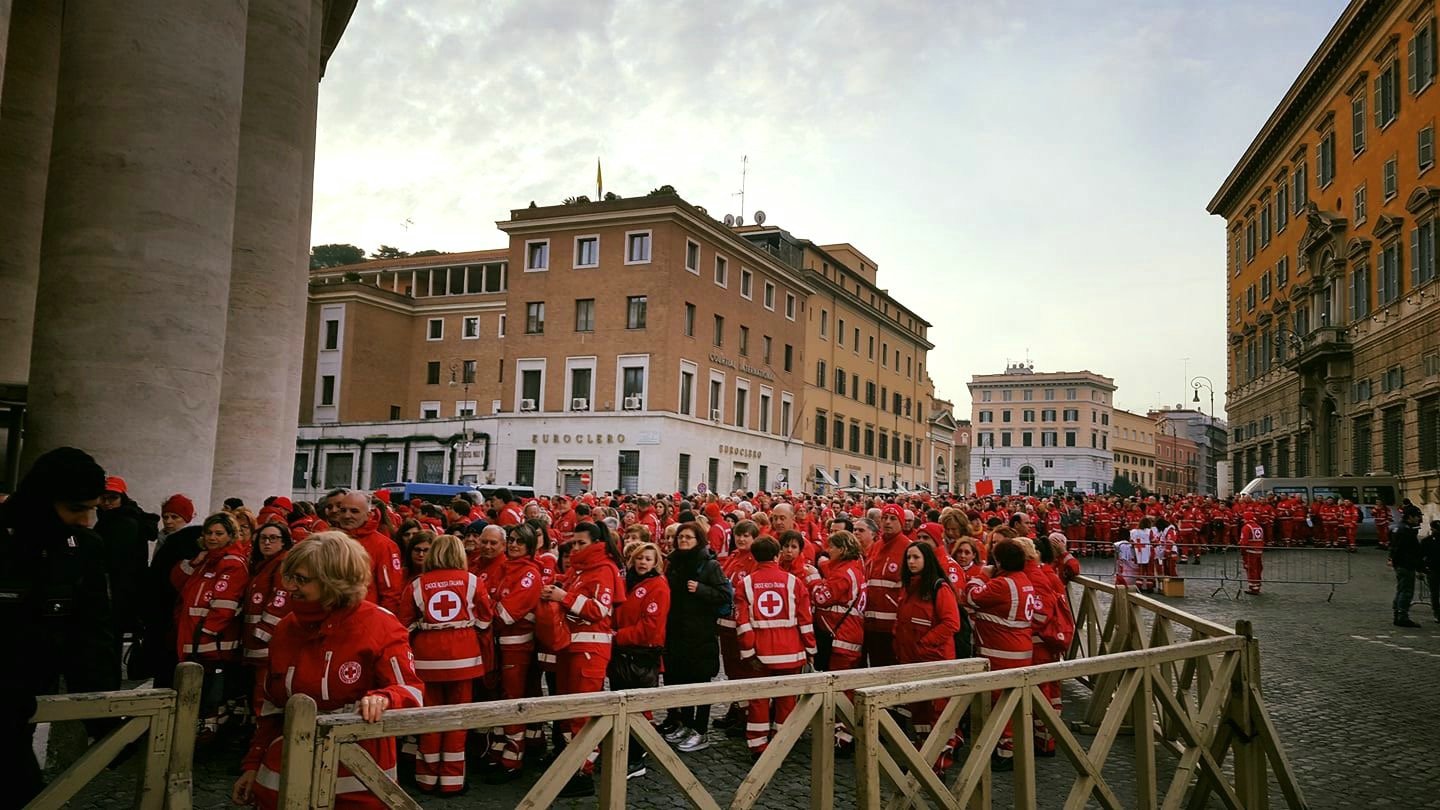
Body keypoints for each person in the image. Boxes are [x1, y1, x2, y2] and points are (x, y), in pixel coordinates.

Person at [233, 532, 423, 808]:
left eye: (301, 579)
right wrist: (252, 764)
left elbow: (411, 691)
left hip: (358, 777)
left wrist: (385, 698)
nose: (290, 587)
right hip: (284, 776)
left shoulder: (381, 625)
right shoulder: (286, 626)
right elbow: (272, 709)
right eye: (290, 577)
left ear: (335, 581)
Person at [0, 447, 119, 806]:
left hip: (27, 704)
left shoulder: (83, 550)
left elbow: (93, 635)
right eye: (75, 509)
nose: (85, 520)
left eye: (92, 509)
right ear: (42, 501)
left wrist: (103, 716)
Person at [399, 534, 492, 795]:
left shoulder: (417, 584)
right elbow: (486, 617)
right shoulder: (472, 581)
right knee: (458, 719)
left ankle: (425, 778)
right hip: (464, 658)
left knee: (428, 718)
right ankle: (452, 781)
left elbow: (404, 623)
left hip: (427, 658)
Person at [541, 521, 625, 798]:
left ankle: (583, 772)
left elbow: (598, 610)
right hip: (572, 649)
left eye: (581, 543)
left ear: (596, 544)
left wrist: (563, 597)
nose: (575, 548)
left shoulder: (602, 570)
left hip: (589, 651)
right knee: (569, 712)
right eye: (573, 543)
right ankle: (571, 765)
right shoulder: (581, 570)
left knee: (582, 714)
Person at [735, 536, 814, 761]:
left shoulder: (745, 584)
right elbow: (805, 620)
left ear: (754, 556)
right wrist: (810, 649)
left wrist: (749, 652)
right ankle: (783, 742)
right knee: (786, 700)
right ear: (777, 555)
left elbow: (742, 623)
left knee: (759, 700)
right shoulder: (793, 582)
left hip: (760, 653)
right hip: (791, 652)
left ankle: (758, 746)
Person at [962, 538, 1036, 771]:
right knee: (1010, 703)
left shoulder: (1002, 584)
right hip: (1020, 648)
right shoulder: (1023, 580)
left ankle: (1006, 752)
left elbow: (970, 596)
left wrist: (981, 575)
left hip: (1002, 651)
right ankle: (1009, 746)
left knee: (1000, 703)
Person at [659, 522, 728, 751]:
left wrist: (701, 589)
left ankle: (701, 730)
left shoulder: (710, 565)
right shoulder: (674, 562)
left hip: (701, 632)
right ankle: (686, 724)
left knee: (700, 682)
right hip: (677, 631)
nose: (683, 541)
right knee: (681, 679)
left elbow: (724, 596)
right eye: (681, 537)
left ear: (698, 539)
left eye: (688, 537)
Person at [895, 541, 961, 774]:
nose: (911, 562)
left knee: (937, 711)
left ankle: (940, 761)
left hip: (935, 658)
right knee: (919, 711)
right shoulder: (908, 587)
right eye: (908, 558)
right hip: (912, 658)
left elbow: (951, 623)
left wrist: (925, 644)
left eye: (916, 558)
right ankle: (922, 756)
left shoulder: (939, 587)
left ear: (927, 560)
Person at [483, 521, 543, 782]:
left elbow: (504, 614)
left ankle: (513, 758)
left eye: (520, 541)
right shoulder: (504, 569)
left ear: (530, 546)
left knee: (513, 699)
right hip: (498, 644)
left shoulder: (529, 573)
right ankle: (498, 750)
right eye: (513, 540)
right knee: (500, 697)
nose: (515, 545)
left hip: (517, 645)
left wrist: (489, 606)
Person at [612, 541, 669, 778]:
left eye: (648, 559)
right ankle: (626, 751)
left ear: (656, 563)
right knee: (623, 705)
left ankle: (636, 758)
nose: (643, 562)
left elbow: (649, 627)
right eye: (639, 558)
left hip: (642, 655)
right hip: (623, 653)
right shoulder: (629, 584)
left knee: (638, 708)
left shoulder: (658, 587)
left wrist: (617, 637)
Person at [94, 475, 158, 666]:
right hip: (121, 589)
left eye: (113, 498)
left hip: (118, 590)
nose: (107, 503)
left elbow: (115, 560)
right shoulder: (121, 518)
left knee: (110, 642)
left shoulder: (122, 522)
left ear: (122, 498)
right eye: (104, 498)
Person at [242, 523, 294, 694]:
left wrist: (264, 632)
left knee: (264, 689)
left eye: (273, 538)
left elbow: (281, 600)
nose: (267, 542)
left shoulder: (282, 565)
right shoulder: (263, 566)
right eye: (263, 538)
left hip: (267, 641)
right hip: (254, 641)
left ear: (284, 542)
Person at [333, 491, 404, 613]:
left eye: (354, 511)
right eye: (343, 510)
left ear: (368, 515)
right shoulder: (328, 540)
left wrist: (381, 624)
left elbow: (391, 594)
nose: (347, 516)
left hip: (364, 618)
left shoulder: (384, 546)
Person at [863, 504, 910, 668]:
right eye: (884, 518)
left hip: (892, 625)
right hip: (870, 623)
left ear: (901, 522)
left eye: (893, 518)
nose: (887, 522)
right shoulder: (875, 546)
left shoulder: (908, 548)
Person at [1389, 507, 1423, 628]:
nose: (1419, 519)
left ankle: (1397, 614)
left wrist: (1393, 560)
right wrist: (1419, 566)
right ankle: (1402, 616)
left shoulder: (1397, 527)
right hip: (1406, 564)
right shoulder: (1406, 531)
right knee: (1406, 591)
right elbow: (1410, 550)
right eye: (1417, 516)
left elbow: (1393, 547)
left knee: (1401, 589)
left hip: (1400, 564)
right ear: (1410, 517)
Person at [1239, 513, 1265, 596]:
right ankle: (1257, 585)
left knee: (1250, 569)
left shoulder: (1246, 527)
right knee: (1258, 568)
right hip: (1259, 551)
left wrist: (1242, 551)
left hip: (1250, 551)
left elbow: (1244, 542)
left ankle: (1253, 587)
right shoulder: (1259, 526)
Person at [1421, 519, 1440, 624]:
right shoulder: (1427, 541)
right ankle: (1437, 612)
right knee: (1435, 593)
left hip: (1434, 568)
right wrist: (1422, 569)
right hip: (1433, 569)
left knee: (1435, 592)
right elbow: (1421, 556)